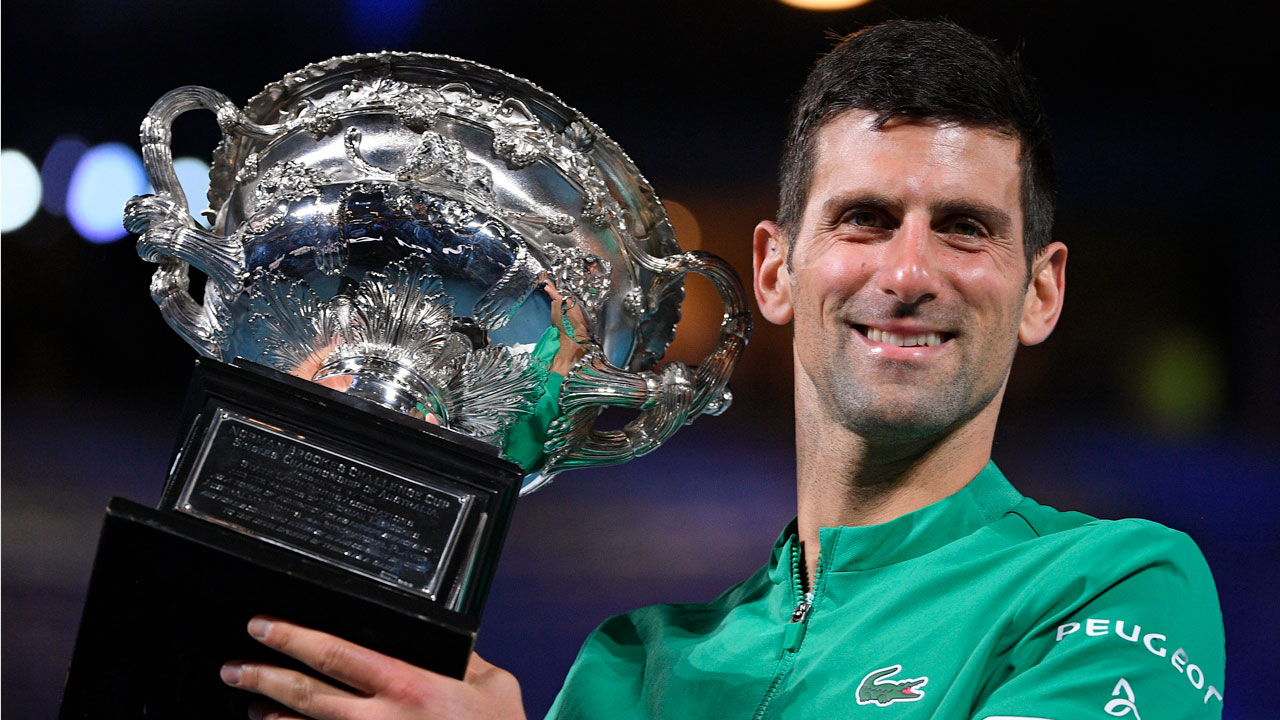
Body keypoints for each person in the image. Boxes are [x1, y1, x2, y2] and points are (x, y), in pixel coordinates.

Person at [217, 19, 1225, 719]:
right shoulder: (630, 670)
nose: (909, 272)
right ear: (775, 270)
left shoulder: (1111, 589)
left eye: (963, 228)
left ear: (1040, 292)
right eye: (862, 219)